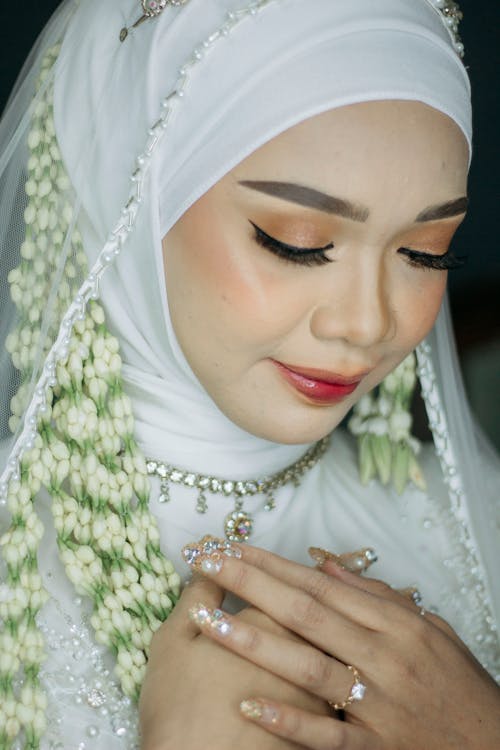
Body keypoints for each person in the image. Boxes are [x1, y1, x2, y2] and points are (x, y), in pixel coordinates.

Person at [0, 0, 498, 748]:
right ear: (123, 195)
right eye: (296, 243)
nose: (366, 323)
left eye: (425, 252)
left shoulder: (480, 521)